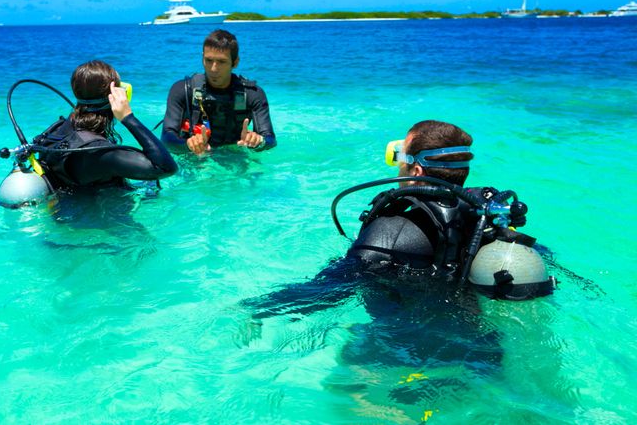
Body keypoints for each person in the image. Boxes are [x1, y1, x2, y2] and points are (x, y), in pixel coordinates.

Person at [243, 120, 553, 319]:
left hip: (409, 354)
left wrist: (254, 310)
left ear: (415, 171)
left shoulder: (391, 230)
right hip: (478, 337)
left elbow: (327, 291)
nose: (396, 166)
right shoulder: (484, 214)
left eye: (399, 156)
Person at [35, 60, 177, 189]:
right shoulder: (101, 153)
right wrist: (128, 117)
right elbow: (166, 167)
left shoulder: (60, 129)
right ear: (115, 96)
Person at [161, 29, 276, 155]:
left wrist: (258, 141)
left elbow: (270, 139)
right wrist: (188, 145)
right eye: (209, 60)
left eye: (221, 62)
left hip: (235, 154)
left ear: (235, 62)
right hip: (195, 157)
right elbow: (167, 138)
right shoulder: (183, 90)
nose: (213, 69)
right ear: (202, 58)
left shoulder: (252, 94)